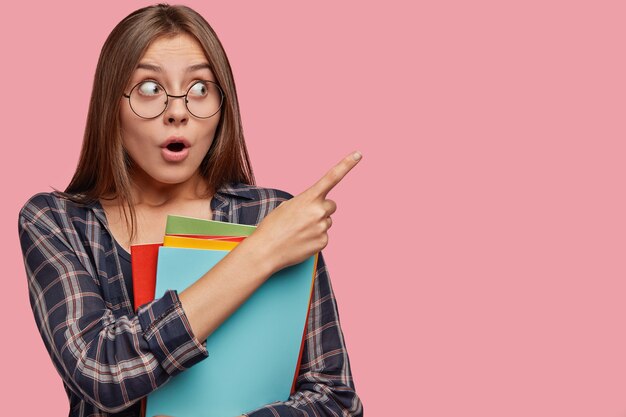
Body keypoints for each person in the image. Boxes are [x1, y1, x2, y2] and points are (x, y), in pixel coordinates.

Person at [17, 4, 363, 417]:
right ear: (111, 105)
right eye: (149, 88)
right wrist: (260, 252)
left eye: (200, 88)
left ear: (223, 105)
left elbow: (335, 401)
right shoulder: (55, 221)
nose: (178, 111)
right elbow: (101, 372)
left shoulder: (274, 214)